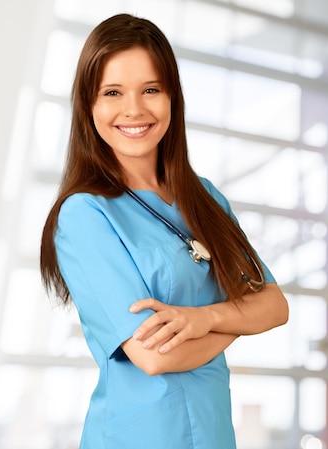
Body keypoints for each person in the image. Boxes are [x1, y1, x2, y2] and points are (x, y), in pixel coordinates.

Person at [39, 13, 289, 449]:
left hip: (213, 433)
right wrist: (239, 322)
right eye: (112, 92)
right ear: (89, 106)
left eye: (150, 90)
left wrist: (203, 319)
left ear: (172, 97)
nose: (134, 109)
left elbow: (275, 305)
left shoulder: (205, 198)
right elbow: (153, 356)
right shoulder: (84, 215)